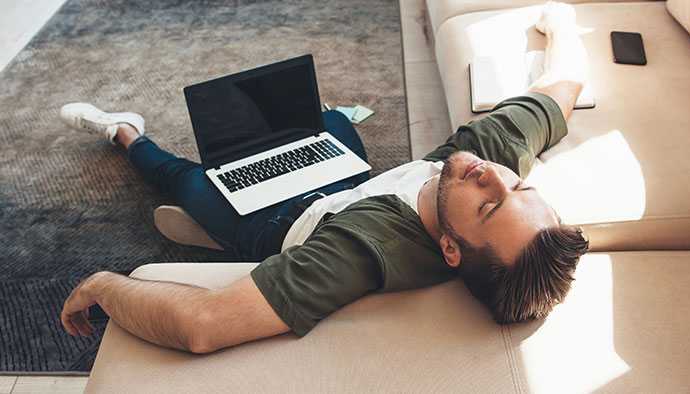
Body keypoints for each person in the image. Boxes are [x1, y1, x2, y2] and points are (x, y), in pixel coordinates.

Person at [60, 2, 589, 353]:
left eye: (489, 205)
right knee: (328, 124)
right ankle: (224, 211)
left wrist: (106, 284)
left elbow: (203, 326)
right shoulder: (489, 164)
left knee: (187, 177)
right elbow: (563, 87)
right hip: (349, 189)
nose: (491, 178)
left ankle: (125, 132)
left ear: (450, 249)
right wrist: (561, 22)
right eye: (519, 185)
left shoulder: (361, 251)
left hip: (283, 226)